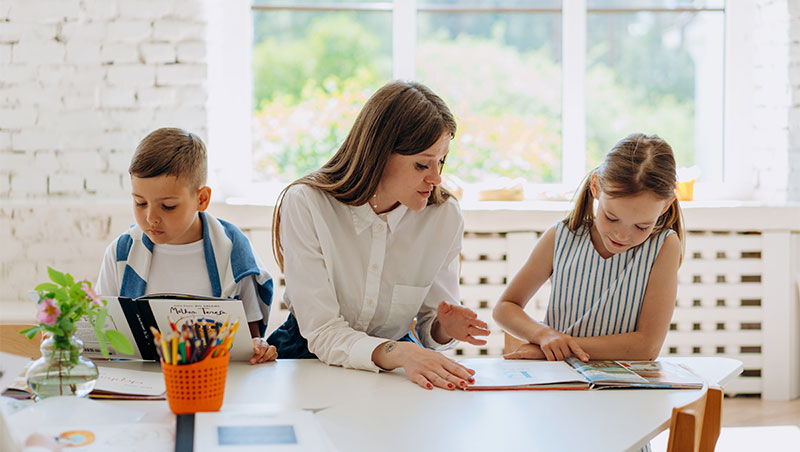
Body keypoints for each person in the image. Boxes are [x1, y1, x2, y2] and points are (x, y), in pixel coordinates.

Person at [267, 81, 490, 390]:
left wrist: (444, 328)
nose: (436, 178)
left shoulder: (444, 216)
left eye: (441, 161)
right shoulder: (307, 203)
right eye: (421, 164)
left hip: (397, 364)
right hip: (305, 359)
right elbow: (322, 331)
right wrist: (400, 352)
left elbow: (430, 326)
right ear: (379, 153)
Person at [494, 133, 684, 363]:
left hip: (623, 383)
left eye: (641, 226)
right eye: (611, 217)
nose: (622, 235)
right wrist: (544, 335)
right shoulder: (560, 237)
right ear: (596, 187)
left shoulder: (664, 246)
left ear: (665, 207)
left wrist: (557, 349)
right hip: (560, 376)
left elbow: (646, 348)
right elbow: (505, 307)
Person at [96, 128, 277, 364]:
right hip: (138, 382)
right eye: (140, 203)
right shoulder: (122, 253)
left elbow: (250, 342)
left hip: (213, 379)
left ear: (202, 199)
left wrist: (260, 349)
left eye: (168, 206)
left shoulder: (234, 252)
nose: (151, 218)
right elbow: (101, 334)